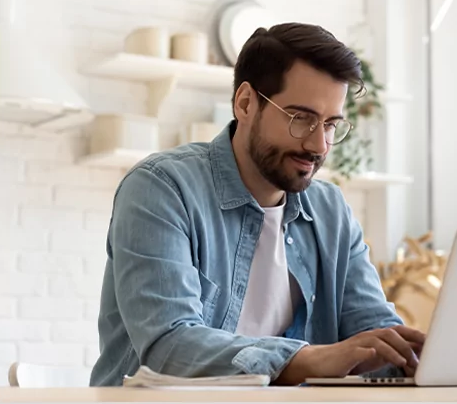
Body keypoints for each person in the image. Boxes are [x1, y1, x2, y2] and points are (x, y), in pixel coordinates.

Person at [90, 22, 425, 387]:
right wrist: (308, 359)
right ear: (246, 103)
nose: (318, 145)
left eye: (330, 125)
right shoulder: (161, 189)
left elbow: (375, 333)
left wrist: (417, 357)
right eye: (301, 119)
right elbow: (168, 347)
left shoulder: (331, 212)